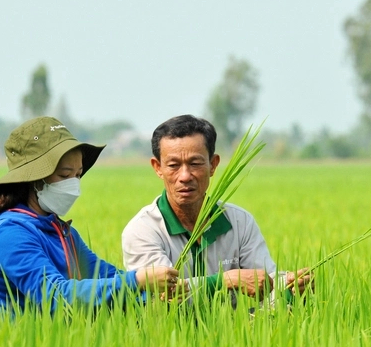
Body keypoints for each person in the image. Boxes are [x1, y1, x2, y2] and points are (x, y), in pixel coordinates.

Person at [0, 116, 178, 327]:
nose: (74, 185)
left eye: (77, 175)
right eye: (64, 174)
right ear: (33, 180)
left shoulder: (62, 232)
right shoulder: (10, 234)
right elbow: (56, 296)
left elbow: (103, 275)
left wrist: (154, 296)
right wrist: (139, 281)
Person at [121, 114, 311, 304]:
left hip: (233, 330)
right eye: (173, 165)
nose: (185, 176)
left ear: (213, 165)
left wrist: (290, 285)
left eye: (195, 163)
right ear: (157, 168)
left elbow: (265, 283)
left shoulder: (239, 221)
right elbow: (165, 297)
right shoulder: (142, 230)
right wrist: (226, 280)